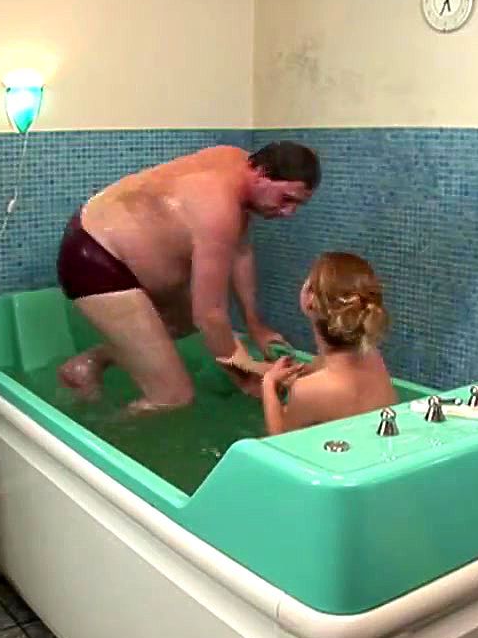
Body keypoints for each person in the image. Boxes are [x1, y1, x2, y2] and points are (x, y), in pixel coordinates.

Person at [55, 142, 320, 413]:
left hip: (107, 241)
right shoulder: (219, 206)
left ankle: (87, 364)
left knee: (181, 323)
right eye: (286, 199)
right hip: (95, 258)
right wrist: (245, 379)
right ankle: (105, 434)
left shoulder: (238, 163)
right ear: (262, 174)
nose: (288, 212)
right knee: (173, 397)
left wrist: (256, 326)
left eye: (297, 204)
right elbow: (209, 315)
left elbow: (240, 250)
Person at [260, 252, 397, 435]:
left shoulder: (307, 390)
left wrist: (268, 385)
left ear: (310, 301)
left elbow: (279, 445)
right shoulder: (373, 357)